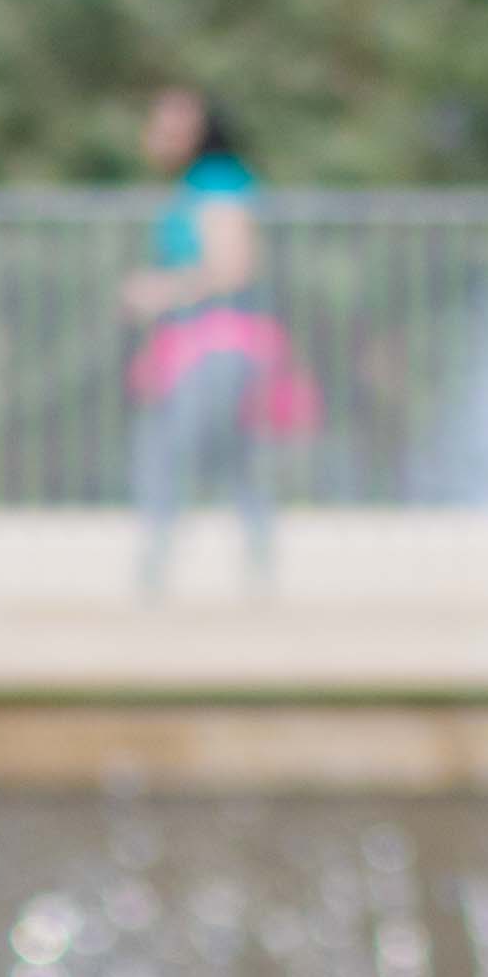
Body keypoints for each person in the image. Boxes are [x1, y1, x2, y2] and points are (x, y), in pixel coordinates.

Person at [113, 83, 299, 599]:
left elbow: (233, 267)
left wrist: (159, 291)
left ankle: (156, 570)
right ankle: (259, 567)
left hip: (219, 345)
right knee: (232, 459)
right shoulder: (196, 187)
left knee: (169, 451)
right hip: (200, 344)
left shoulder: (219, 184)